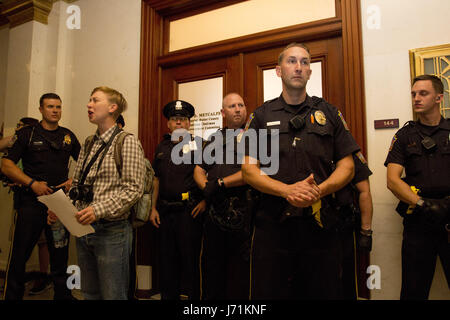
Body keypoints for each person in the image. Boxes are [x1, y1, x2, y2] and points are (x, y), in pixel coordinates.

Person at [241, 42, 360, 299]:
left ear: (310, 72)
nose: (298, 67)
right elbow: (249, 170)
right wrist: (287, 190)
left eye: (304, 62)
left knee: (323, 291)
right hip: (273, 225)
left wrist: (318, 191)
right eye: (292, 61)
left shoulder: (329, 113)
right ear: (278, 70)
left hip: (320, 224)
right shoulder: (261, 115)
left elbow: (348, 166)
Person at [51, 86, 145, 300]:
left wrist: (98, 209)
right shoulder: (88, 142)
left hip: (112, 233)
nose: (88, 105)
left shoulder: (127, 141)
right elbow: (78, 185)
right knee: (89, 293)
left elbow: (133, 189)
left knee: (113, 295)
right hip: (84, 230)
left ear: (112, 108)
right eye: (89, 100)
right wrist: (61, 209)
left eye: (95, 100)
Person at [1, 94, 80, 300]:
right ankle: (12, 296)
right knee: (20, 256)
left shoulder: (68, 136)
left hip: (59, 204)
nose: (55, 110)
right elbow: (6, 165)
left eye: (58, 107)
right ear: (41, 109)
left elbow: (84, 163)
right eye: (50, 106)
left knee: (61, 256)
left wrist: (74, 179)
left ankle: (63, 296)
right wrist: (32, 183)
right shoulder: (27, 133)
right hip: (30, 202)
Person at [385, 74, 449, 300]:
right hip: (419, 219)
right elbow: (392, 180)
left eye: (423, 93)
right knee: (413, 291)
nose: (416, 98)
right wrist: (424, 204)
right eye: (413, 94)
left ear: (439, 97)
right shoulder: (404, 135)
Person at [194, 93, 254, 299]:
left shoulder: (255, 136)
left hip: (243, 211)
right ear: (222, 112)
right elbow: (199, 169)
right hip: (214, 212)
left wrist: (220, 184)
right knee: (212, 268)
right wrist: (208, 189)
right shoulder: (214, 138)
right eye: (232, 106)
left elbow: (253, 173)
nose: (238, 109)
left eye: (241, 105)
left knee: (240, 272)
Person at [150, 100, 206, 300]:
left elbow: (210, 176)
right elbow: (156, 179)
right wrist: (152, 208)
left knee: (191, 263)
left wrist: (205, 202)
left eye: (183, 119)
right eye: (174, 119)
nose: (179, 123)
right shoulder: (162, 147)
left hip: (189, 213)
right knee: (167, 263)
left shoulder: (200, 145)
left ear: (189, 123)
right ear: (169, 124)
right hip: (165, 213)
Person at [335, 151, 373, 300]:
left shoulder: (349, 153)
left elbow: (364, 191)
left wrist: (366, 231)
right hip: (309, 226)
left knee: (346, 280)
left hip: (342, 224)